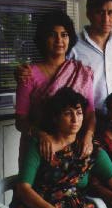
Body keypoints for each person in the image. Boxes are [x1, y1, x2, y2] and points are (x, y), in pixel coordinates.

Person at [15, 10, 95, 165]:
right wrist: (41, 135)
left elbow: (90, 112)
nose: (59, 40)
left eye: (64, 34)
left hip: (74, 147)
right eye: (52, 35)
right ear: (43, 39)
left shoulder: (82, 73)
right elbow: (20, 120)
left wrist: (88, 136)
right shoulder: (28, 75)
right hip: (39, 148)